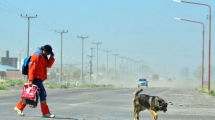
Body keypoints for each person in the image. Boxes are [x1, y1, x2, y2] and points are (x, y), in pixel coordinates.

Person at [14, 45, 55, 118]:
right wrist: (30, 81)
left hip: (39, 79)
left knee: (30, 95)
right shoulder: (36, 56)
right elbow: (31, 69)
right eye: (48, 53)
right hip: (35, 78)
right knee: (43, 94)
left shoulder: (44, 57)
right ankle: (45, 113)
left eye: (49, 54)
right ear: (44, 50)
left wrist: (51, 58)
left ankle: (19, 107)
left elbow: (48, 65)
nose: (48, 54)